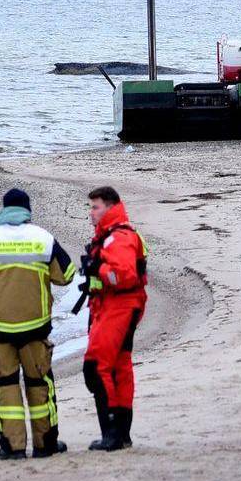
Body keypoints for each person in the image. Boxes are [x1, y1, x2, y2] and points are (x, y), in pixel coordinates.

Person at [0, 188, 78, 459]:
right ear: (28, 211)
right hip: (36, 326)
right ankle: (45, 444)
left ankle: (13, 448)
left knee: (6, 386)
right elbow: (67, 275)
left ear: (4, 209)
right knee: (39, 384)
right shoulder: (44, 239)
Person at [80, 186, 148, 451]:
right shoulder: (112, 235)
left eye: (95, 207)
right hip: (114, 305)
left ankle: (112, 434)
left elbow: (124, 275)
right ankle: (120, 434)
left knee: (97, 367)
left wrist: (97, 268)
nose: (91, 213)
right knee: (119, 368)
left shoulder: (118, 238)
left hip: (119, 306)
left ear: (110, 207)